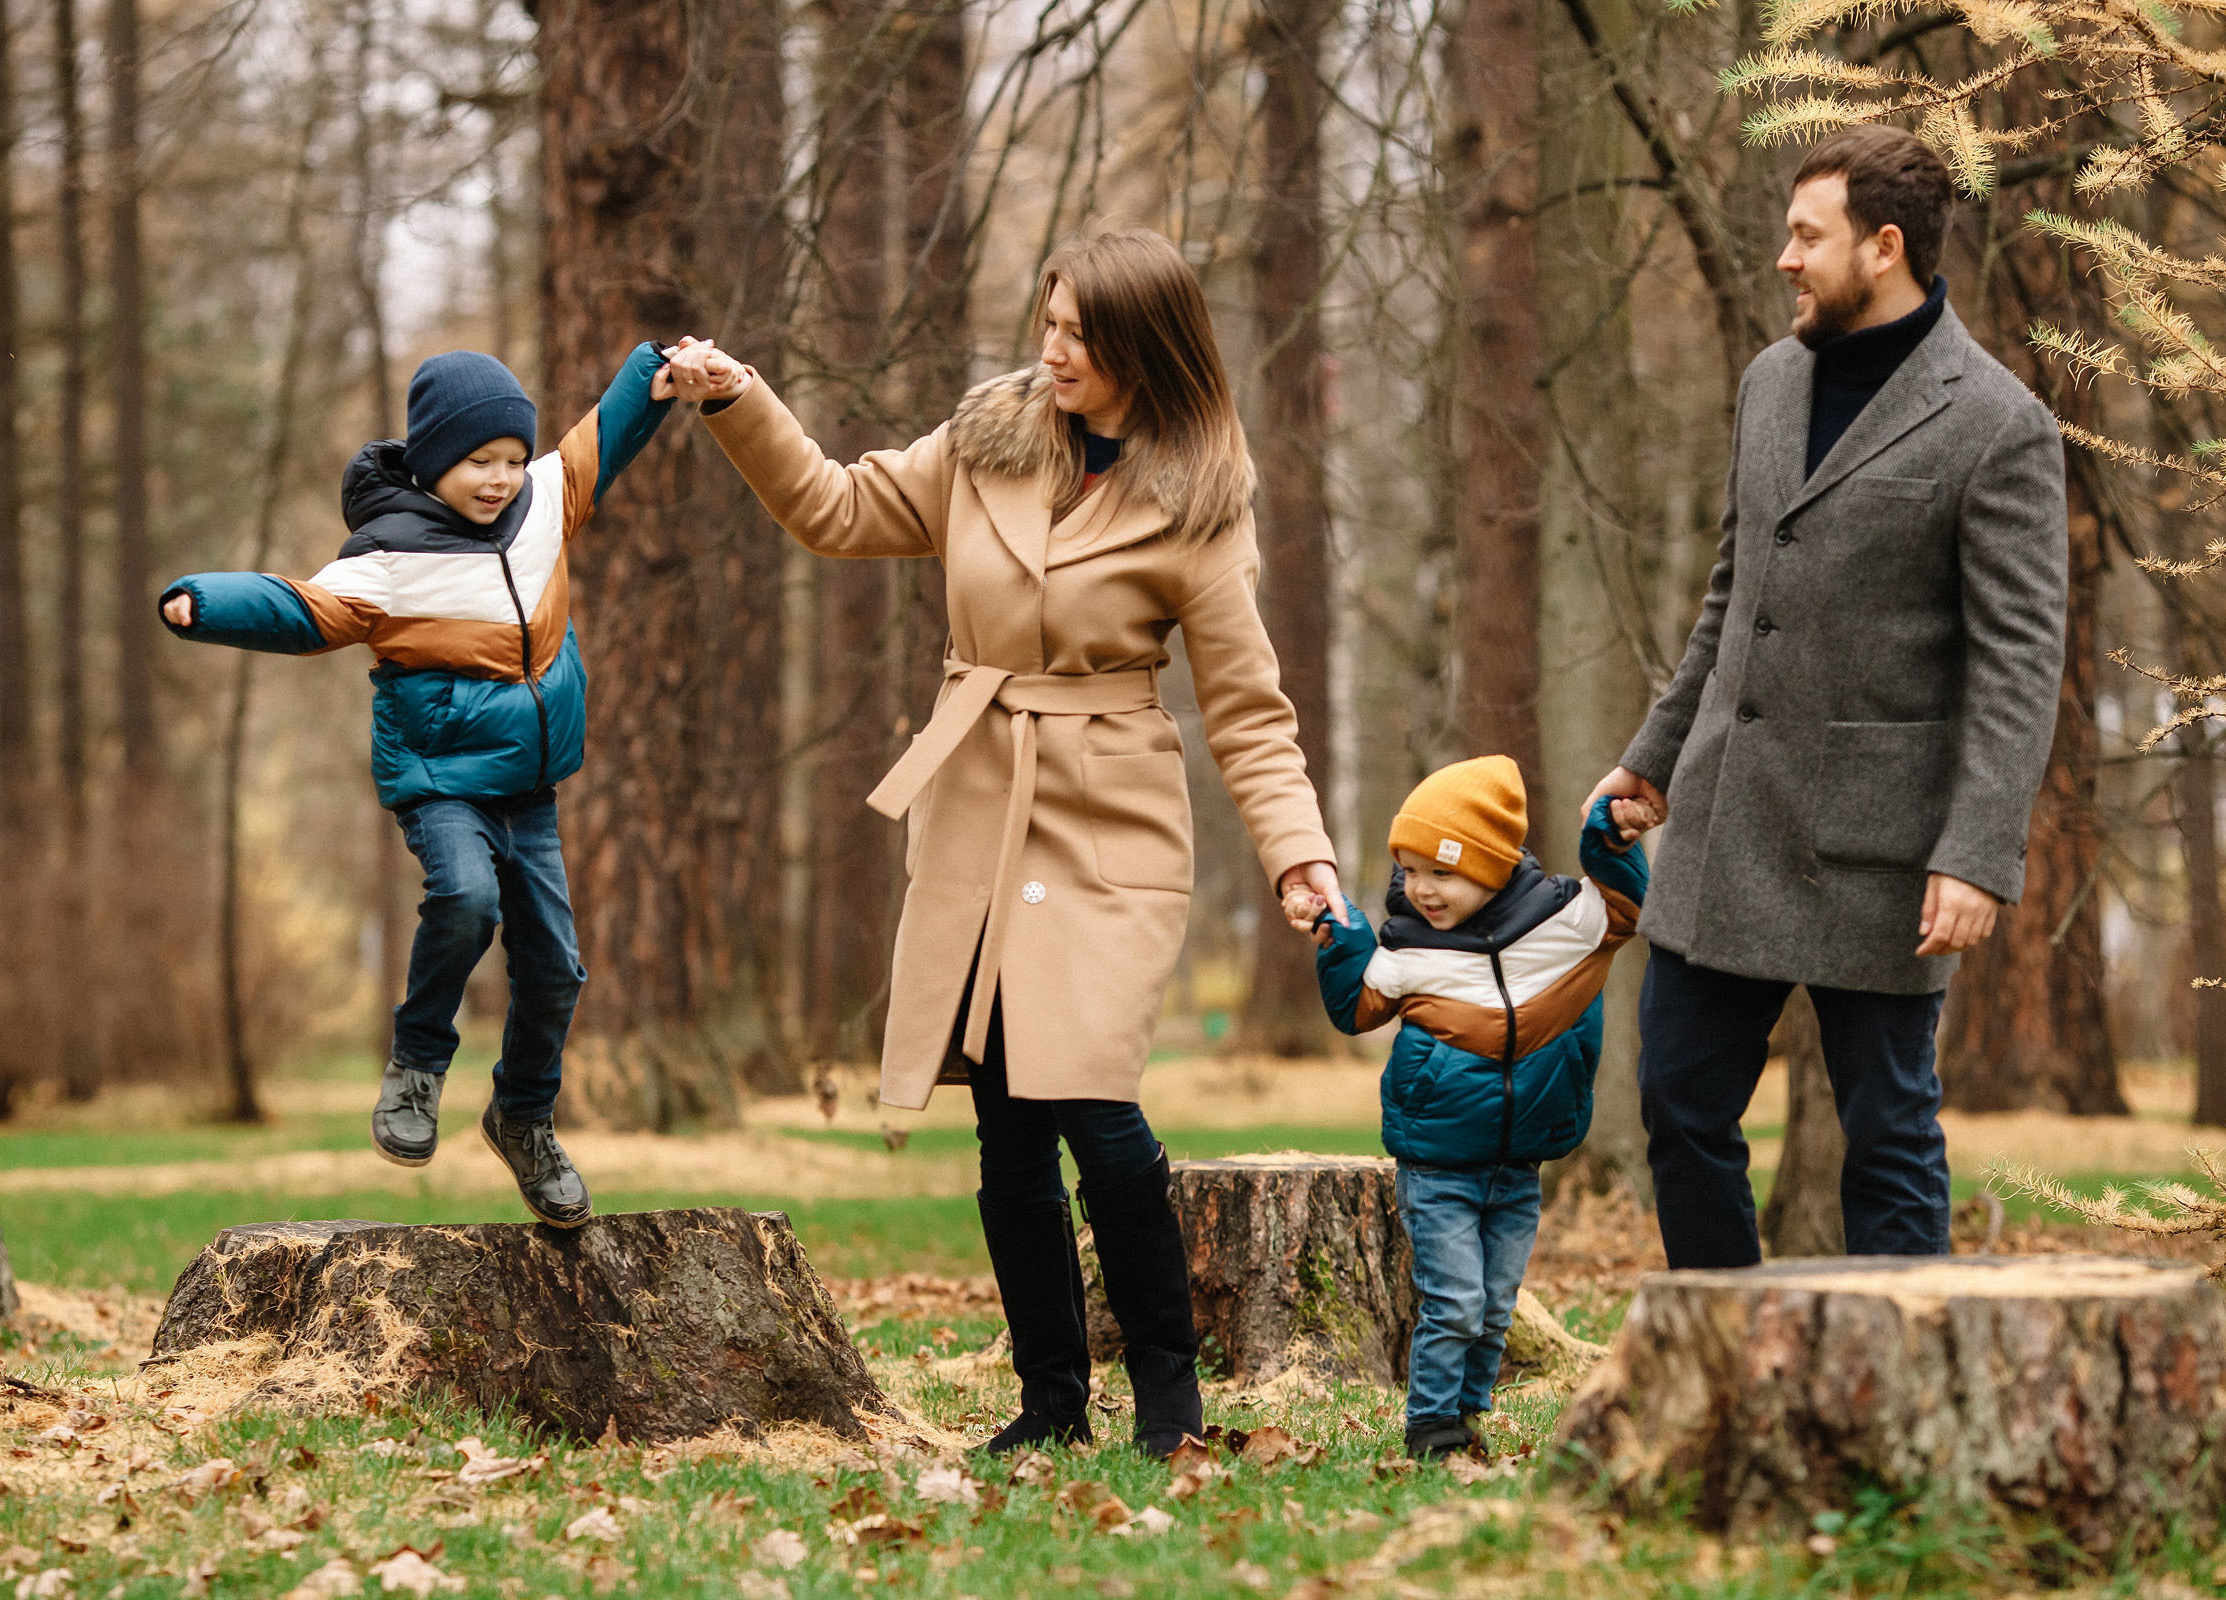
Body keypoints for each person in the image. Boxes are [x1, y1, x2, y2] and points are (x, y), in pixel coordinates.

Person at [668, 230, 1338, 1458]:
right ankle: (1051, 1402)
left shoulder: (1196, 500)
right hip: (982, 800)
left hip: (1111, 821)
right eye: (1051, 319)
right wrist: (739, 398)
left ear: (1142, 345)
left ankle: (1170, 1398)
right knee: (1009, 1124)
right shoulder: (986, 444)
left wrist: (1301, 855)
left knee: (1095, 1100)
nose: (1055, 347)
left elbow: (1248, 706)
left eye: (1081, 332)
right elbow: (833, 507)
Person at [1581, 125, 2071, 1268]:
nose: (1785, 258)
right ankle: (1733, 1362)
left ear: (1884, 247)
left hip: (1886, 855)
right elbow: (1729, 597)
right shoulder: (1770, 378)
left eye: (1808, 236)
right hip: (1725, 823)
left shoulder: (2002, 426)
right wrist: (1652, 755)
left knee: (1889, 1138)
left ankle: (1895, 1390)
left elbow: (2017, 662)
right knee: (1680, 1106)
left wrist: (1979, 852)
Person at [158, 341, 687, 1229]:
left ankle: (522, 1115)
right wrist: (203, 601)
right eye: (480, 461)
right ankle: (416, 1066)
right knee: (466, 897)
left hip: (530, 790)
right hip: (441, 782)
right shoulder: (389, 557)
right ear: (436, 458)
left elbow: (602, 438)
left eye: (514, 460)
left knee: (557, 970)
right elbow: (302, 608)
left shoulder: (544, 503)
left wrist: (656, 377)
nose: (501, 479)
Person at [1298, 757, 1650, 1459]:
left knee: (1492, 1312)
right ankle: (1430, 1427)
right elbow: (1357, 1008)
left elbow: (1622, 900)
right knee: (1454, 1303)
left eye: (1442, 872)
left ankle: (1466, 1417)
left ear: (1494, 864)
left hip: (1520, 1162)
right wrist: (1343, 941)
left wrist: (1608, 840)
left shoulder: (1562, 925)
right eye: (1411, 869)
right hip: (1436, 1165)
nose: (1422, 889)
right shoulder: (1408, 946)